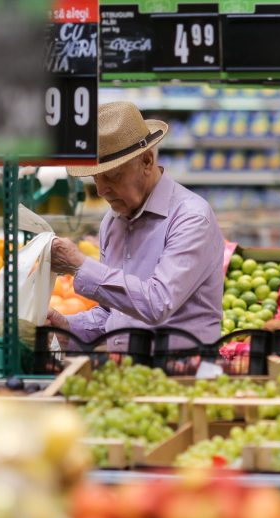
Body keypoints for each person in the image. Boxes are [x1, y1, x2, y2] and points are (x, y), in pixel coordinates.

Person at [45, 101, 225, 348]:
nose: (100, 190)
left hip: (181, 376)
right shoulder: (112, 222)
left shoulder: (191, 218)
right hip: (126, 375)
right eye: (95, 178)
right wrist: (68, 327)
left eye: (111, 175)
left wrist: (80, 266)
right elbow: (113, 315)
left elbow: (157, 303)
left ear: (147, 161)